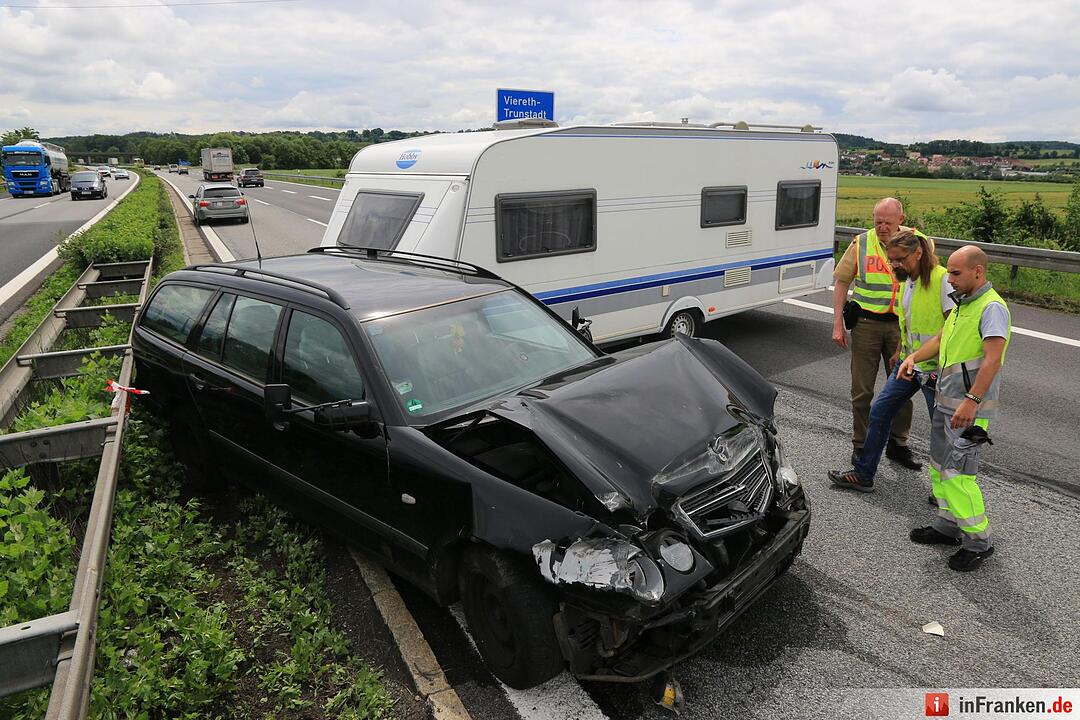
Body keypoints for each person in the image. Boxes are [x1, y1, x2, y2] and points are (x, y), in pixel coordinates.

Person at [898, 245, 1009, 572]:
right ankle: (948, 525)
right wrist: (913, 357)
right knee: (938, 466)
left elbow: (992, 360)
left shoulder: (991, 308)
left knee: (959, 475)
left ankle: (978, 541)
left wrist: (971, 402)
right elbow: (940, 337)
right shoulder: (963, 304)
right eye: (949, 273)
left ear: (979, 271)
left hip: (968, 408)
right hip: (947, 403)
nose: (950, 280)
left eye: (957, 274)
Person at [828, 230, 953, 492]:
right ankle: (863, 474)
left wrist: (915, 356)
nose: (893, 265)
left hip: (935, 370)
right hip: (908, 363)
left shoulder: (943, 281)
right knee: (880, 412)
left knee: (942, 430)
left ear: (918, 253)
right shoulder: (909, 280)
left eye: (898, 259)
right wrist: (900, 349)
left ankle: (948, 492)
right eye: (890, 259)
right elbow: (908, 320)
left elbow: (951, 329)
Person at [831, 198, 925, 469]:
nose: (882, 227)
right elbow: (842, 281)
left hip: (901, 327)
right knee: (861, 390)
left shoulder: (919, 242)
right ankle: (861, 444)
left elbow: (929, 282)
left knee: (903, 388)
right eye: (878, 221)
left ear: (901, 219)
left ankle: (899, 444)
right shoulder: (861, 243)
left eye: (888, 222)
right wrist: (837, 322)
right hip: (867, 324)